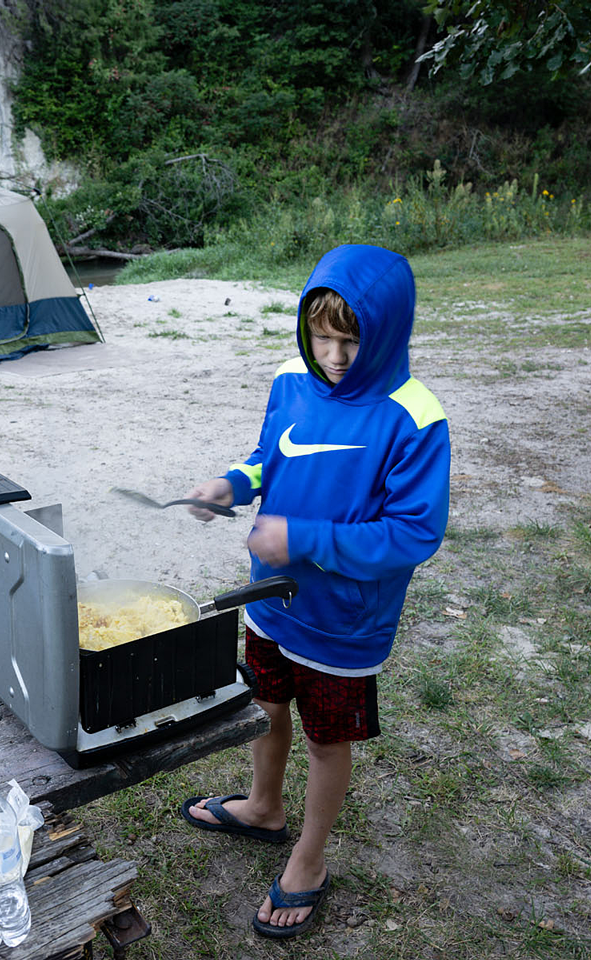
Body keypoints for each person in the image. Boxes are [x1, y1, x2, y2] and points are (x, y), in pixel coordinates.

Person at [179, 244, 451, 939]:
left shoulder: (413, 417)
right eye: (322, 336)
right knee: (265, 706)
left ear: (387, 332)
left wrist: (301, 538)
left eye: (351, 339)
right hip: (269, 602)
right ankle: (264, 807)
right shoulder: (290, 380)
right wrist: (229, 486)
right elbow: (269, 458)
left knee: (326, 741)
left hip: (343, 625)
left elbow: (414, 534)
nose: (333, 355)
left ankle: (309, 857)